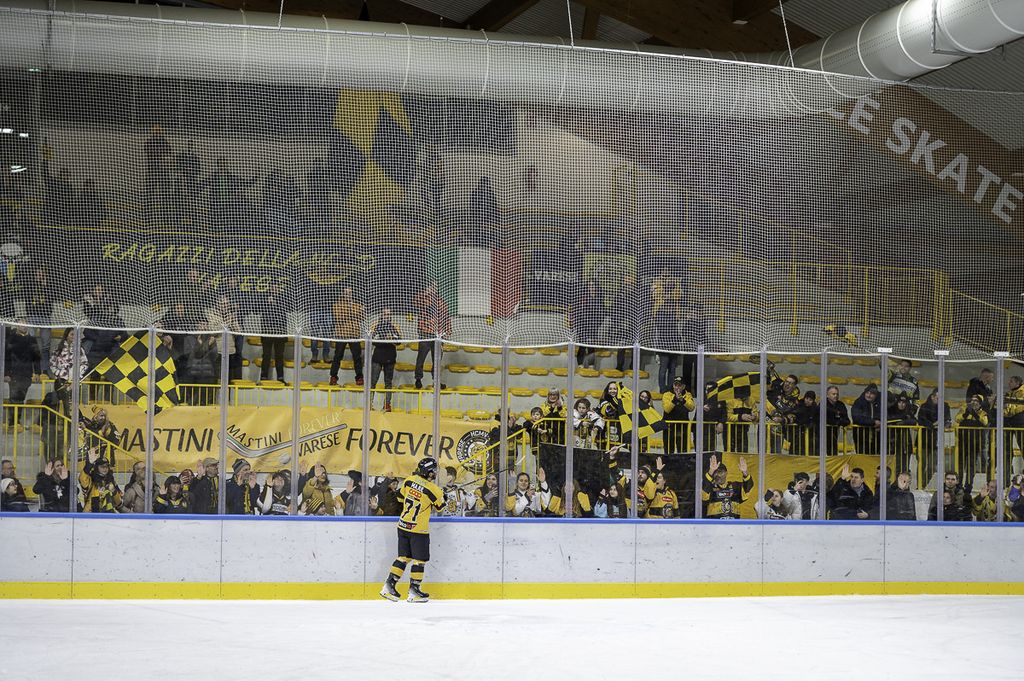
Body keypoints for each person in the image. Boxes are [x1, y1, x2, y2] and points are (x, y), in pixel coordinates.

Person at [380, 457, 445, 603]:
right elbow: (440, 507)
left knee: (403, 557)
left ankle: (388, 587)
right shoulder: (433, 490)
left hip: (403, 525)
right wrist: (443, 496)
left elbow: (400, 498)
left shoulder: (409, 481)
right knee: (419, 560)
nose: (435, 473)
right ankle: (414, 591)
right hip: (418, 530)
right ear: (429, 472)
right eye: (434, 471)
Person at [413, 281, 450, 390]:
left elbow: (446, 318)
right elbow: (415, 302)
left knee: (437, 360)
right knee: (421, 358)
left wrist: (447, 331)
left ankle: (436, 381)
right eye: (431, 287)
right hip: (425, 334)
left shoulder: (441, 303)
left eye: (435, 287)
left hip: (438, 336)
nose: (433, 289)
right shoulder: (423, 299)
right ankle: (418, 379)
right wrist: (426, 293)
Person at [4, 323, 41, 429]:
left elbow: (36, 357)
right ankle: (12, 423)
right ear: (17, 326)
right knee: (13, 398)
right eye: (21, 324)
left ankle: (16, 421)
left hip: (26, 374)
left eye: (25, 324)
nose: (23, 326)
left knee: (21, 398)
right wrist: (6, 373)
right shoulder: (11, 339)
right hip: (14, 373)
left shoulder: (32, 340)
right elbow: (6, 357)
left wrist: (37, 372)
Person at [330, 286, 366, 387]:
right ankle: (333, 376)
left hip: (354, 335)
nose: (348, 295)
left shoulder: (357, 305)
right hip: (341, 334)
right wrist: (355, 312)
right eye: (346, 292)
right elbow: (339, 316)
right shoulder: (337, 305)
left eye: (350, 293)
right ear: (342, 293)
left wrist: (356, 312)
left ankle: (359, 377)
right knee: (337, 356)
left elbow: (362, 317)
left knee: (357, 357)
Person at [49, 328, 89, 416]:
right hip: (60, 381)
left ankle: (70, 423)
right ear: (66, 335)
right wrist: (59, 373)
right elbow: (52, 364)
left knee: (71, 406)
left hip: (74, 382)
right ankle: (61, 422)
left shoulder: (80, 350)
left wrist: (77, 375)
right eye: (71, 334)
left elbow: (85, 364)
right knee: (60, 405)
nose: (73, 337)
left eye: (75, 335)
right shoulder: (58, 348)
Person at [702, 454, 753, 519]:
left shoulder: (735, 487)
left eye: (721, 472)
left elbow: (747, 492)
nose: (718, 475)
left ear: (726, 473)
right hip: (715, 524)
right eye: (716, 472)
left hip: (734, 524)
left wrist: (745, 472)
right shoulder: (710, 488)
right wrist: (711, 471)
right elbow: (704, 496)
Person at [917, 388, 950, 485]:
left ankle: (923, 485)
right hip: (923, 439)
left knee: (933, 466)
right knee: (922, 464)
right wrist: (933, 424)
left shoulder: (945, 406)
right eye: (938, 398)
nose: (940, 400)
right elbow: (921, 420)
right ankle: (919, 485)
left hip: (936, 441)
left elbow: (947, 419)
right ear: (932, 397)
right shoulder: (924, 406)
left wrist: (945, 423)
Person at [368, 308, 400, 410]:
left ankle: (387, 405)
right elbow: (372, 340)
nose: (386, 316)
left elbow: (399, 341)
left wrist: (392, 339)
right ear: (381, 315)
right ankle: (369, 404)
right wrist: (384, 340)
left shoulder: (394, 326)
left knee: (388, 382)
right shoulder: (376, 326)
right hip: (377, 357)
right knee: (373, 381)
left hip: (390, 357)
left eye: (388, 314)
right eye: (385, 314)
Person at [955, 395, 989, 487]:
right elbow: (957, 419)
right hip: (963, 442)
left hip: (974, 444)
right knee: (960, 465)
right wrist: (966, 413)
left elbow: (984, 422)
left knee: (971, 466)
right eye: (972, 400)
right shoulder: (964, 410)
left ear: (980, 403)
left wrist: (974, 413)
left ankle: (968, 486)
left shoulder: (983, 413)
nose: (973, 402)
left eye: (976, 401)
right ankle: (958, 485)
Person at [259, 288, 288, 384]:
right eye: (272, 287)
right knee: (266, 355)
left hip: (280, 332)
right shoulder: (264, 298)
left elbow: (286, 312)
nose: (274, 289)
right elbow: (258, 310)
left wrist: (276, 303)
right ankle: (263, 376)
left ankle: (280, 377)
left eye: (276, 287)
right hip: (267, 332)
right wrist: (267, 303)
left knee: (279, 356)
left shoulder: (283, 298)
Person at [79, 448, 122, 513]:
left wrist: (114, 491)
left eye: (107, 466)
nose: (105, 469)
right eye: (102, 467)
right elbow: (82, 478)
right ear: (96, 467)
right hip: (91, 514)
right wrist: (89, 464)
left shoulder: (111, 480)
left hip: (109, 515)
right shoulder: (91, 479)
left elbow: (118, 503)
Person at [887, 392, 918, 477]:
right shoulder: (891, 411)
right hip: (893, 442)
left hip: (905, 443)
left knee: (905, 467)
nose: (901, 404)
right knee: (895, 466)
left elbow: (914, 421)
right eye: (900, 402)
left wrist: (904, 422)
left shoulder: (908, 412)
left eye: (904, 402)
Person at [662, 377, 695, 455]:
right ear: (673, 385)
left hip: (682, 426)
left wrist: (683, 400)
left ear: (683, 386)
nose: (677, 387)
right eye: (675, 385)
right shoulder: (666, 395)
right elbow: (667, 409)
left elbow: (691, 408)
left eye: (679, 385)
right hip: (669, 427)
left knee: (682, 449)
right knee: (669, 450)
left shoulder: (688, 395)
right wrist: (675, 399)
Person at [851, 384, 882, 455]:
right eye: (867, 393)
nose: (868, 395)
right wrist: (874, 422)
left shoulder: (880, 402)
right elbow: (856, 418)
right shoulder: (858, 402)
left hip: (876, 437)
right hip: (861, 437)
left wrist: (880, 423)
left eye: (872, 394)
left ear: (876, 395)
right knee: (862, 457)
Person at [790, 391, 820, 455]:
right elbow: (794, 416)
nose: (808, 401)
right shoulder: (798, 406)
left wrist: (811, 423)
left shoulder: (816, 409)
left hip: (811, 436)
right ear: (804, 398)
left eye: (810, 400)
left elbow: (817, 421)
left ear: (813, 401)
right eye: (807, 398)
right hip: (798, 435)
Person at [824, 385, 851, 455]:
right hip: (822, 435)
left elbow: (847, 421)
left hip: (834, 435)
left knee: (833, 452)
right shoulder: (823, 404)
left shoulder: (841, 404)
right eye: (833, 394)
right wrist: (837, 421)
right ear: (827, 395)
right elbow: (824, 419)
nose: (836, 396)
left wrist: (837, 422)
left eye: (837, 394)